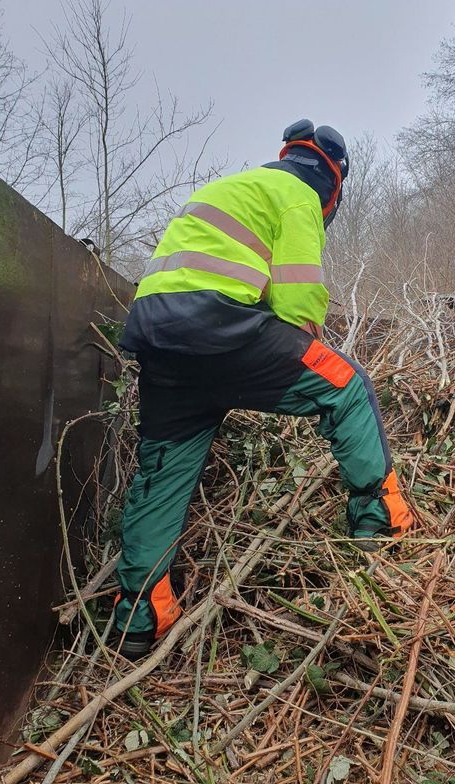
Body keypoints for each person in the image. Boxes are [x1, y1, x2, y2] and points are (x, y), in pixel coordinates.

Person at [113, 120, 415, 659]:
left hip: (159, 336)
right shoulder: (299, 195)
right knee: (345, 386)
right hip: (221, 326)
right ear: (333, 184)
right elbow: (298, 301)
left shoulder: (233, 189)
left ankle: (141, 612)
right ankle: (381, 521)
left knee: (163, 466)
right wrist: (304, 351)